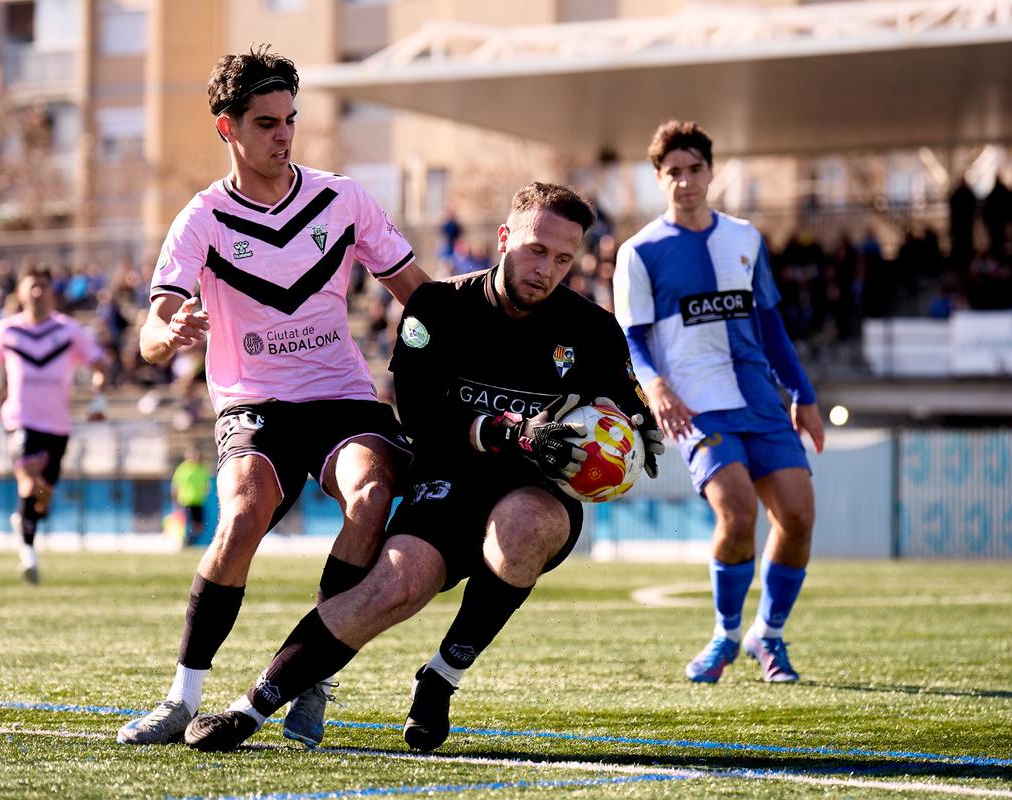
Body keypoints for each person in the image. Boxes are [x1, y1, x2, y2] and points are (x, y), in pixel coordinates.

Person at [176, 182, 664, 754]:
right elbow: (418, 414)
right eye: (536, 249)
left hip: (533, 491)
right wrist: (509, 430)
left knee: (522, 529)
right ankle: (250, 708)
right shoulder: (439, 307)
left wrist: (635, 428)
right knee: (392, 588)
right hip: (450, 481)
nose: (546, 269)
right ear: (504, 238)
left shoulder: (592, 329)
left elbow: (626, 400)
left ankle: (440, 679)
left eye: (563, 258)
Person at [117, 46, 429, 748]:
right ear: (227, 128)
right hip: (253, 403)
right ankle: (180, 698)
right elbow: (149, 334)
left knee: (373, 496)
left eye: (290, 119)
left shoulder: (342, 198)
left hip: (343, 399)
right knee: (241, 515)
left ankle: (311, 679)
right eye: (265, 123)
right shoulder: (201, 217)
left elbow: (422, 299)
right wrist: (173, 333)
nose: (283, 134)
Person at [613, 120, 825, 684]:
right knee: (737, 510)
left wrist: (802, 393)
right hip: (693, 403)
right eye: (672, 173)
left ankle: (768, 635)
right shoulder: (639, 253)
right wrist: (654, 386)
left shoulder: (745, 238)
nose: (685, 182)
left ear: (711, 172)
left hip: (759, 397)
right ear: (658, 179)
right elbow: (632, 338)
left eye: (694, 170)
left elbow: (772, 324)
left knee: (799, 514)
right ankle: (725, 636)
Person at [0, 264, 107, 585]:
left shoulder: (69, 331)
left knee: (43, 496)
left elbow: (99, 364)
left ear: (51, 291)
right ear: (19, 292)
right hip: (20, 419)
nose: (37, 292)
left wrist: (99, 398)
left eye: (43, 286)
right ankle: (28, 556)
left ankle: (26, 518)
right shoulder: (7, 330)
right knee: (29, 483)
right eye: (31, 285)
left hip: (58, 425)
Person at [172, 446, 212, 546]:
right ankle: (185, 541)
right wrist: (175, 499)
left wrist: (205, 491)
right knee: (185, 524)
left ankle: (190, 541)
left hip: (198, 501)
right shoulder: (182, 468)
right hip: (185, 500)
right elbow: (175, 485)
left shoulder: (202, 469)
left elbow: (207, 484)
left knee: (199, 526)